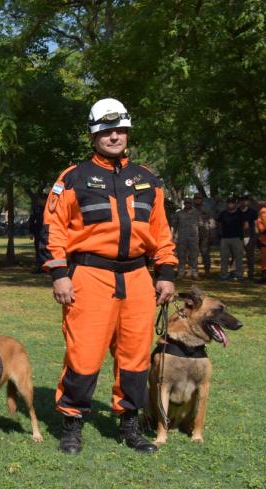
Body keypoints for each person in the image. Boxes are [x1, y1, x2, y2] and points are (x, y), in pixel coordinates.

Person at [40, 98, 176, 454]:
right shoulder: (73, 177)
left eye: (120, 130)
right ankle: (72, 423)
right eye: (106, 131)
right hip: (89, 275)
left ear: (127, 133)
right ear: (93, 135)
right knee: (83, 353)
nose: (114, 137)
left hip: (137, 277)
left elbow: (161, 232)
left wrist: (165, 273)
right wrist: (59, 274)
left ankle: (129, 423)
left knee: (135, 355)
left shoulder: (148, 178)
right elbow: (53, 229)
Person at [217, 198, 245, 281]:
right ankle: (223, 275)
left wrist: (243, 237)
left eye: (232, 203)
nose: (230, 204)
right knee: (224, 258)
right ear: (227, 204)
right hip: (225, 239)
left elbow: (245, 225)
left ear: (235, 204)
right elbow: (219, 224)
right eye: (229, 203)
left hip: (237, 238)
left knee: (238, 258)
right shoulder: (223, 214)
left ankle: (239, 275)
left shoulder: (240, 213)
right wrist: (220, 234)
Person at [172, 198, 201, 278]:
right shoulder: (179, 214)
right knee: (181, 256)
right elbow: (174, 226)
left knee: (194, 256)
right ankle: (181, 272)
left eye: (189, 203)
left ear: (191, 204)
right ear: (184, 204)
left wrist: (202, 237)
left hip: (193, 238)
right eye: (186, 203)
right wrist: (172, 236)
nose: (187, 204)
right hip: (181, 238)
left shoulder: (197, 213)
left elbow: (201, 226)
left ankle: (194, 272)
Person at [193, 193, 214, 275]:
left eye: (199, 198)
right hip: (193, 234)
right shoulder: (191, 208)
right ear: (194, 199)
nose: (198, 199)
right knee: (193, 253)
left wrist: (212, 234)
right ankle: (194, 271)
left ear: (202, 199)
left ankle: (207, 271)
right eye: (196, 198)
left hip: (205, 234)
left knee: (205, 252)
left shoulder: (207, 208)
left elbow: (211, 221)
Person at [239, 196, 258, 281]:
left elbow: (256, 223)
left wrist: (256, 235)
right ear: (240, 201)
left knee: (250, 255)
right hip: (238, 236)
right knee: (237, 255)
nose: (244, 202)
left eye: (246, 200)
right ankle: (237, 273)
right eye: (242, 200)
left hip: (250, 236)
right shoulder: (237, 211)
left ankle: (251, 273)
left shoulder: (253, 212)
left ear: (249, 202)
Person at [29, 194, 47, 273]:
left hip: (47, 231)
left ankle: (46, 267)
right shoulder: (36, 208)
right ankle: (39, 267)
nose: (39, 201)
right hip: (38, 231)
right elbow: (32, 220)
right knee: (38, 249)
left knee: (46, 249)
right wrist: (30, 232)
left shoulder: (50, 207)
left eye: (41, 199)